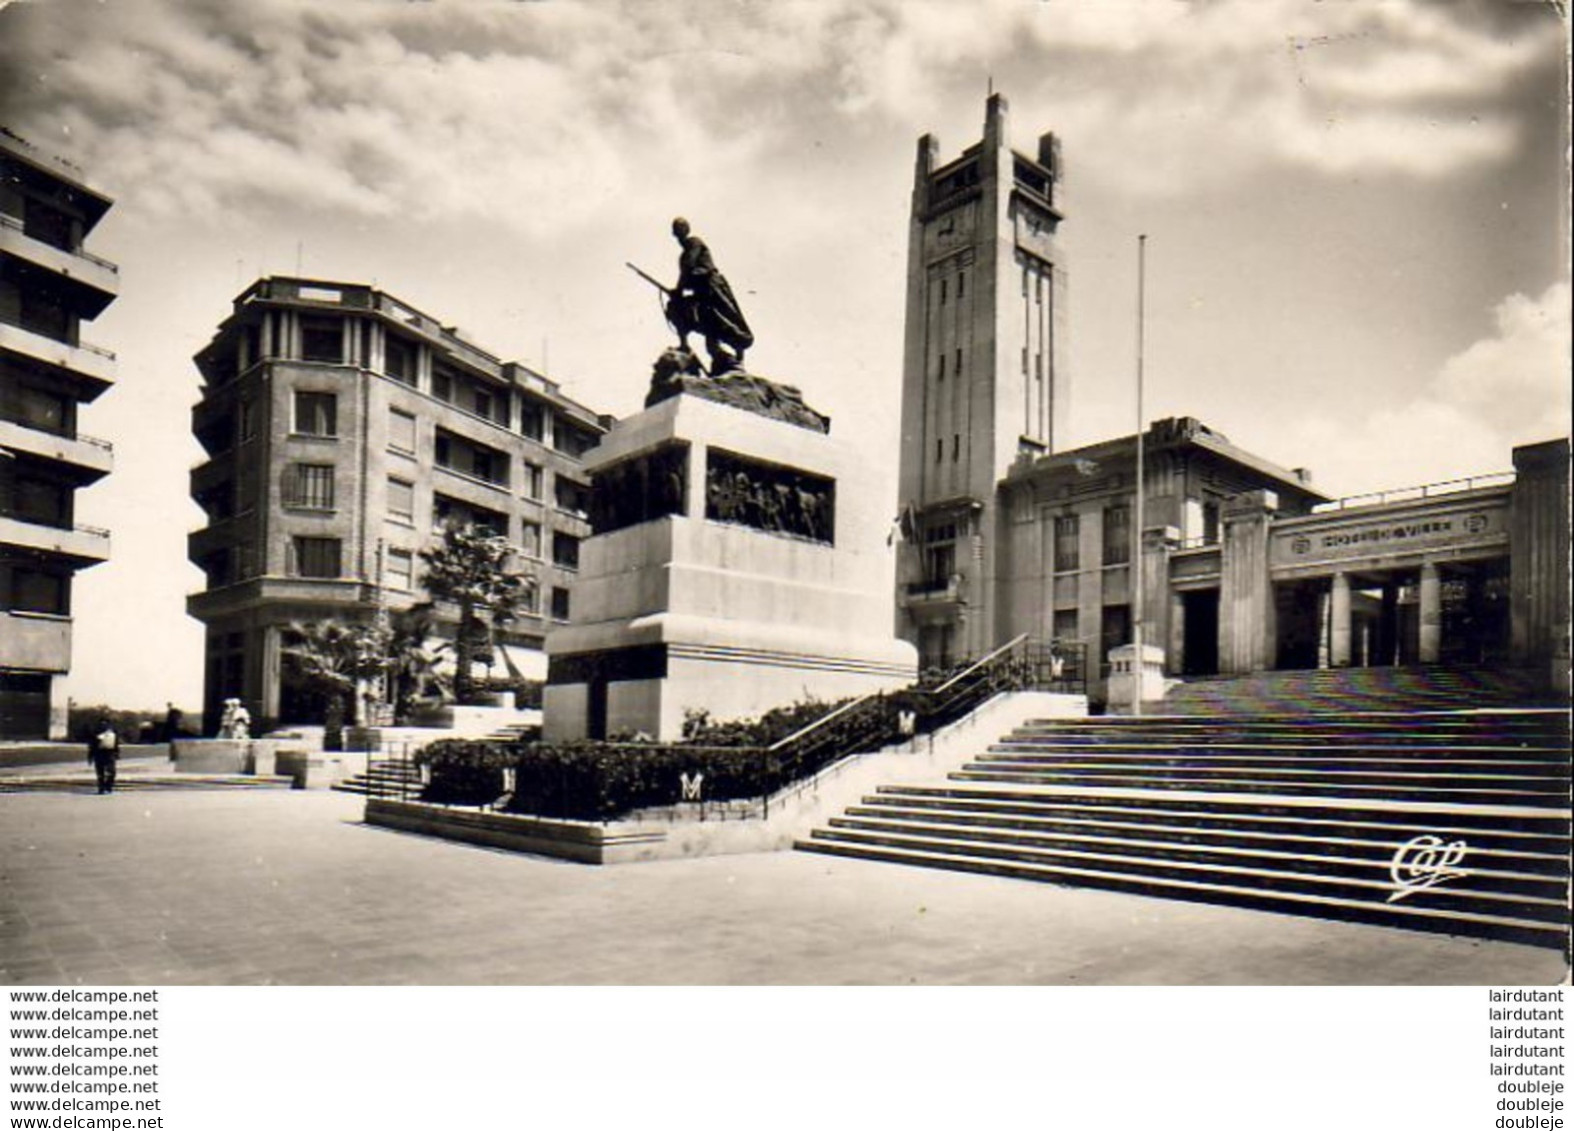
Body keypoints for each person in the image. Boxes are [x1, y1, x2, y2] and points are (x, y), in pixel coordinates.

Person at [666, 217, 753, 375]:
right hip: (701, 292)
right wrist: (677, 292)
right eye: (676, 230)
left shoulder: (694, 243)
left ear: (686, 229)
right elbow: (688, 275)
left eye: (680, 229)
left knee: (724, 319)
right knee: (677, 309)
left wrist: (678, 290)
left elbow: (689, 268)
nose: (678, 233)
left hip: (713, 288)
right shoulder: (684, 254)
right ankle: (686, 345)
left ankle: (736, 354)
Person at [87, 717, 119, 795]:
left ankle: (101, 788)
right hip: (110, 753)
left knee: (100, 772)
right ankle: (108, 788)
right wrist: (117, 754)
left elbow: (92, 745)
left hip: (98, 753)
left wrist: (90, 757)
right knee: (111, 771)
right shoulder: (112, 730)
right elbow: (116, 744)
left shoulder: (96, 730)